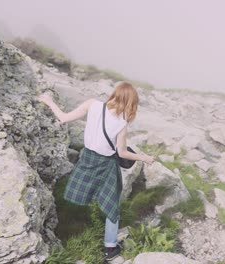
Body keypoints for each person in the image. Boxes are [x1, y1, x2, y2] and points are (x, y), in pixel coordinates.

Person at [37, 81, 154, 261]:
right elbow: (122, 153)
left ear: (115, 94)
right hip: (106, 165)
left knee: (78, 194)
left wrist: (49, 101)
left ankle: (56, 225)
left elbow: (64, 118)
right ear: (131, 102)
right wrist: (144, 158)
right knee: (111, 206)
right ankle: (110, 249)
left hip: (87, 159)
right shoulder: (121, 123)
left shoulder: (92, 104)